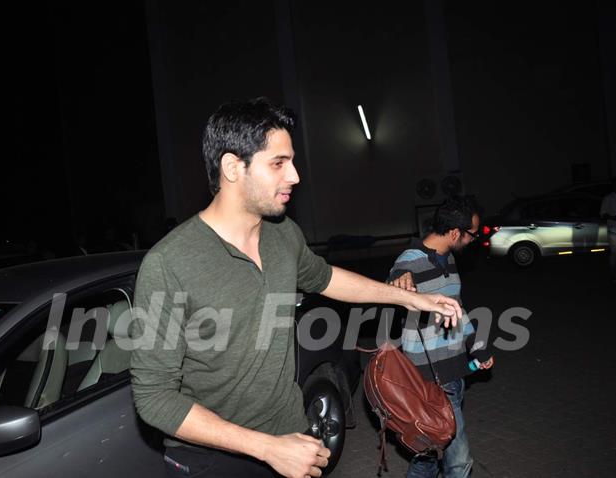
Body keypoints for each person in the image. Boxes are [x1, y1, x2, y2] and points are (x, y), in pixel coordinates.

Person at [130, 98, 464, 478]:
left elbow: (326, 278)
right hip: (214, 459)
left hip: (290, 431)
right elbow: (153, 398)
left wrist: (411, 298)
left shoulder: (283, 234)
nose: (295, 176)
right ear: (232, 167)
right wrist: (267, 449)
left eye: (291, 161)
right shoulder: (169, 263)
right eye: (278, 163)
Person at [388, 196, 494, 478]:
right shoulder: (409, 260)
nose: (474, 240)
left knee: (427, 459)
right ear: (456, 232)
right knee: (458, 462)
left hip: (454, 373)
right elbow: (398, 277)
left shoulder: (448, 259)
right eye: (473, 234)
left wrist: (479, 349)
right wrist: (401, 281)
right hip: (431, 381)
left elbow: (457, 310)